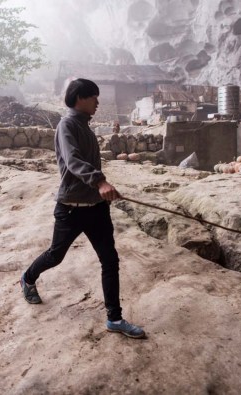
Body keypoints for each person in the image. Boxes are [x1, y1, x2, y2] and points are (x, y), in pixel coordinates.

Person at [20, 78, 146, 339]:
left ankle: (114, 318)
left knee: (109, 260)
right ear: (80, 98)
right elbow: (73, 161)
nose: (98, 102)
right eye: (94, 98)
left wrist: (102, 190)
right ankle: (28, 278)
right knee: (55, 255)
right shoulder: (67, 126)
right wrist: (99, 181)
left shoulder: (85, 127)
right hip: (71, 209)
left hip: (96, 208)